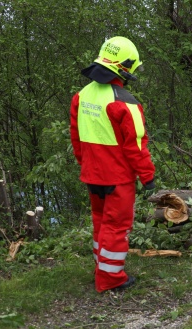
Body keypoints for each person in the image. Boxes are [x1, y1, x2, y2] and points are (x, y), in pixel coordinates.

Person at [70, 36, 156, 292]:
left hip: (91, 174)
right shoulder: (125, 102)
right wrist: (147, 176)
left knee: (100, 221)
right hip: (117, 178)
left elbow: (76, 136)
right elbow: (137, 145)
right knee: (116, 226)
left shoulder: (82, 96)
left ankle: (101, 267)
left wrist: (84, 164)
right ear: (125, 66)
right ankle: (109, 278)